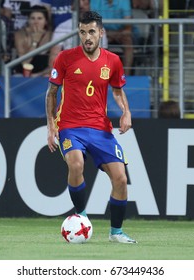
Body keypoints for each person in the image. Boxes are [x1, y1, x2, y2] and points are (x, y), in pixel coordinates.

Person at [45, 10, 137, 244]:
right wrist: (51, 125)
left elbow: (117, 90)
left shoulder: (112, 61)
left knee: (121, 179)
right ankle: (81, 215)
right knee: (75, 164)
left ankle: (116, 233)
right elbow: (52, 92)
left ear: (101, 33)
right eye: (83, 32)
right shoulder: (65, 58)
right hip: (70, 126)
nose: (87, 37)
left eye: (92, 32)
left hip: (100, 128)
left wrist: (126, 112)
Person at [90, 0, 134, 76]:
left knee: (128, 40)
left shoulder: (124, 1)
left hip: (120, 32)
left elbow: (128, 26)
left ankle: (126, 76)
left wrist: (117, 33)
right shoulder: (94, 1)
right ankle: (98, 75)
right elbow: (93, 24)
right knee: (96, 38)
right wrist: (107, 33)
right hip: (103, 32)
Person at [14, 5, 52, 76]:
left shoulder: (51, 35)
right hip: (22, 73)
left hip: (43, 73)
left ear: (46, 21)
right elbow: (25, 62)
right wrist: (35, 42)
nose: (36, 22)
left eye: (39, 18)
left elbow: (53, 63)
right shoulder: (20, 34)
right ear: (28, 20)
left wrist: (37, 75)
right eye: (33, 18)